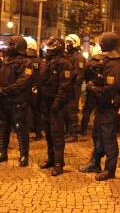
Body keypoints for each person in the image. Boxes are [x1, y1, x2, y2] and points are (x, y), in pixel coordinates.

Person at [79, 32, 120, 181]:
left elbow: (110, 89)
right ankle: (95, 162)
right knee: (97, 134)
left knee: (108, 138)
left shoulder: (115, 64)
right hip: (101, 106)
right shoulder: (108, 61)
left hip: (109, 107)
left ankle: (110, 169)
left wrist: (94, 88)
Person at [0, 35, 33, 166]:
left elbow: (23, 82)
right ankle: (2, 152)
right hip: (4, 100)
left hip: (18, 100)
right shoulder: (6, 61)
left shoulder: (27, 63)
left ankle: (23, 155)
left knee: (21, 128)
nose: (7, 47)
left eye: (10, 45)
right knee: (3, 126)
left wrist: (6, 90)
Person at [39, 36, 73, 176]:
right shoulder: (46, 62)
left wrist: (57, 103)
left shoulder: (65, 64)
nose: (46, 51)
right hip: (46, 102)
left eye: (49, 48)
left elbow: (64, 87)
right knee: (48, 133)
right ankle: (51, 159)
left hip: (57, 104)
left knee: (57, 134)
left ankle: (59, 163)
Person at [64, 34, 86, 143]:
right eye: (67, 42)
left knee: (72, 110)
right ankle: (68, 131)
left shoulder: (79, 57)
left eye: (70, 42)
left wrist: (73, 87)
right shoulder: (66, 55)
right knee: (67, 110)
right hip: (66, 87)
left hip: (73, 88)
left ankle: (73, 134)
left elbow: (79, 75)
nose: (68, 44)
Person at [79, 44, 103, 136]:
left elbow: (85, 76)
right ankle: (98, 128)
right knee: (99, 110)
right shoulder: (104, 63)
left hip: (90, 90)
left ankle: (84, 128)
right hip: (100, 89)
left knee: (87, 110)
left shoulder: (89, 63)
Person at [23, 36, 43, 141]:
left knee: (25, 112)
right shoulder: (40, 61)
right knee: (37, 112)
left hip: (25, 89)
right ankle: (38, 133)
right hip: (37, 89)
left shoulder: (24, 61)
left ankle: (25, 134)